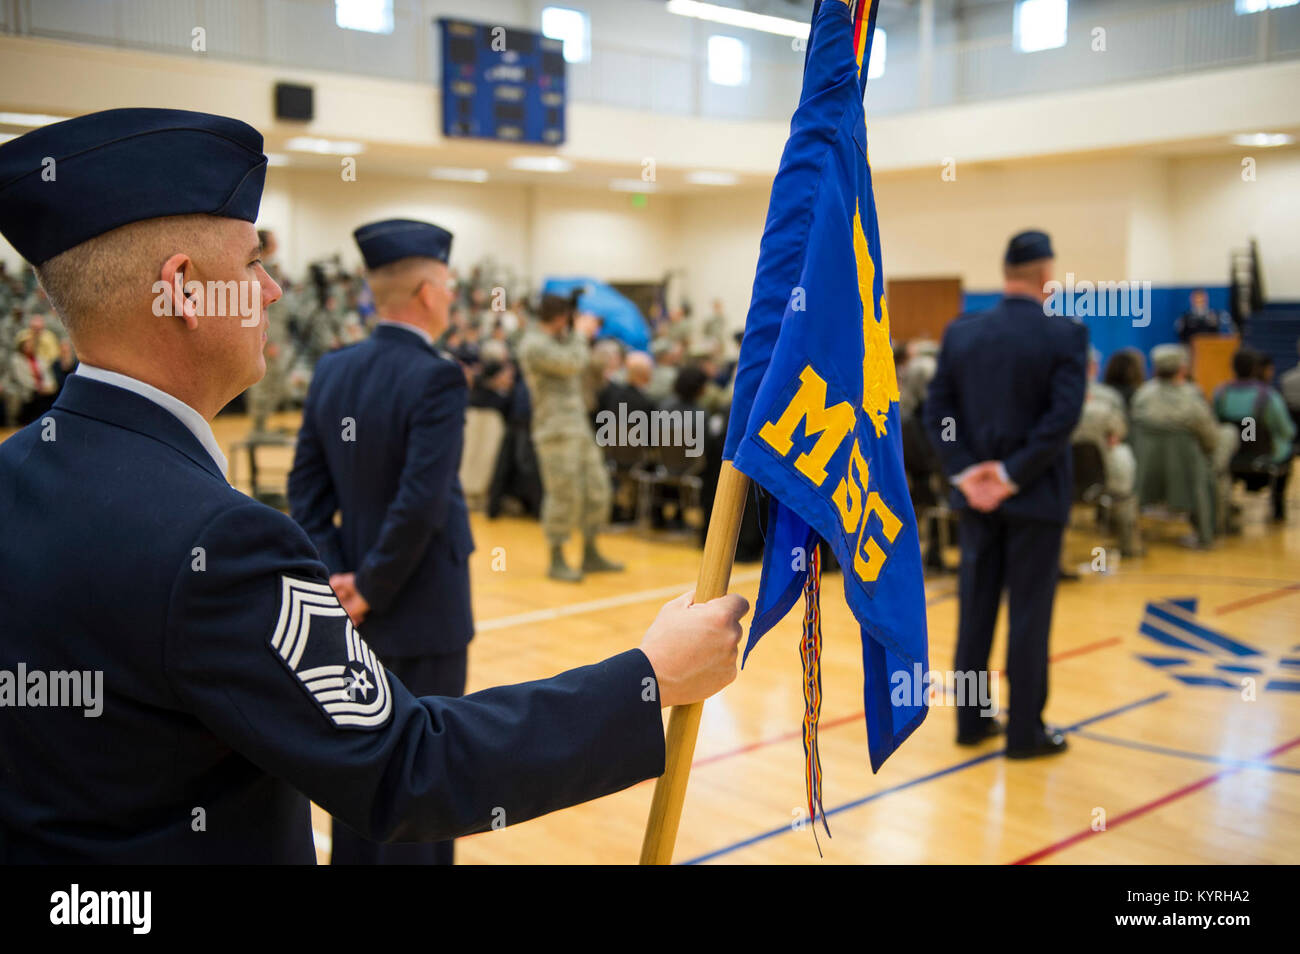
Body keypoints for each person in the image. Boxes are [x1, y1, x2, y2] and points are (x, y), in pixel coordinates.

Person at [0, 108, 749, 862]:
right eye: (254, 263)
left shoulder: (17, 476)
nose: (274, 291)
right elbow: (408, 767)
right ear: (186, 290)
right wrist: (649, 680)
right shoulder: (218, 542)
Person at [288, 218, 474, 865]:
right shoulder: (440, 377)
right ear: (427, 292)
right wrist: (369, 587)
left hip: (349, 618)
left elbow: (305, 494)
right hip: (422, 613)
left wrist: (340, 582)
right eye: (448, 286)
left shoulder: (334, 370)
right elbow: (420, 504)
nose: (452, 298)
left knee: (362, 773)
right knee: (427, 776)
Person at [924, 229, 1087, 759]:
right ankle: (1024, 734)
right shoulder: (1066, 335)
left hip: (975, 502)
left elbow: (939, 412)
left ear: (1005, 272)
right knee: (1028, 618)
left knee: (975, 612)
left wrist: (968, 472)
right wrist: (1012, 474)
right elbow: (1061, 420)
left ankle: (970, 723)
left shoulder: (962, 332)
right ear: (1046, 274)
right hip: (1035, 498)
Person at [518, 293, 624, 582]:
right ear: (561, 318)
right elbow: (570, 363)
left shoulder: (564, 341)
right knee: (563, 493)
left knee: (596, 489)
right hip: (554, 429)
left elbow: (586, 367)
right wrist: (580, 334)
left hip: (578, 424)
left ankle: (590, 552)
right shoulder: (534, 345)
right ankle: (557, 558)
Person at [1212, 347, 1295, 522]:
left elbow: (1213, 425)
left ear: (1233, 368)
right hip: (1265, 460)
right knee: (1289, 451)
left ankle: (1227, 503)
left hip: (1231, 458)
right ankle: (1278, 507)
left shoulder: (1221, 394)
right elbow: (1287, 431)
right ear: (1257, 369)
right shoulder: (1269, 396)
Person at [1071, 347, 1140, 555]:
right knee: (1123, 456)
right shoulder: (1109, 399)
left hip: (1062, 476)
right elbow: (1117, 435)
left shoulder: (1052, 397)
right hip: (1102, 476)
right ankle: (1129, 545)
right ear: (1092, 367)